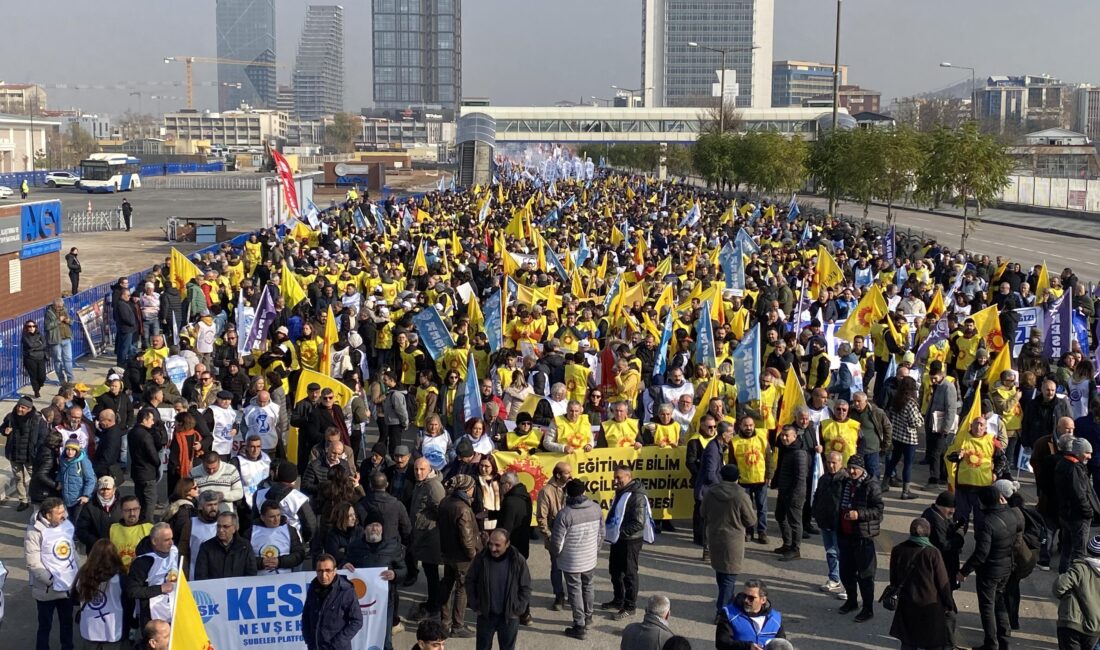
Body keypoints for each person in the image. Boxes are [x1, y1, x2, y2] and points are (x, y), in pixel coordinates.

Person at [957, 485, 1024, 650]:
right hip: (1007, 567)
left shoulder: (987, 523)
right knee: (1000, 601)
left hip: (990, 572)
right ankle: (1004, 638)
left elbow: (981, 553)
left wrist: (964, 571)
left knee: (987, 607)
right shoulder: (1012, 515)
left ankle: (991, 643)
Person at [887, 518, 957, 650]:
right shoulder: (933, 552)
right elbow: (943, 582)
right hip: (930, 608)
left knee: (908, 642)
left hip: (907, 604)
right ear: (928, 533)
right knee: (932, 643)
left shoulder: (898, 549)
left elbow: (894, 579)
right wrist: (948, 604)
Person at [344, 511, 406, 650]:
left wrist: (395, 574)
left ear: (382, 528)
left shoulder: (393, 546)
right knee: (360, 636)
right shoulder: (354, 547)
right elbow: (344, 564)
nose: (374, 528)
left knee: (384, 639)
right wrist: (344, 565)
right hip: (359, 602)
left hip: (384, 602)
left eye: (377, 525)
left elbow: (404, 570)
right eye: (371, 525)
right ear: (365, 528)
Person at [552, 478, 604, 640]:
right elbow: (601, 534)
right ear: (584, 491)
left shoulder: (565, 514)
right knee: (588, 586)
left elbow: (557, 542)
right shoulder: (596, 508)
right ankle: (588, 617)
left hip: (571, 561)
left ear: (567, 493)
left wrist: (557, 555)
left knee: (574, 591)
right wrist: (595, 550)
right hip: (590, 558)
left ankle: (579, 625)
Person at [834, 455, 884, 622]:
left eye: (855, 468)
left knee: (865, 576)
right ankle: (851, 601)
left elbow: (878, 511)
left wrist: (859, 514)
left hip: (863, 537)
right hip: (845, 535)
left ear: (863, 470)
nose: (852, 471)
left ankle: (867, 608)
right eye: (850, 468)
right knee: (846, 573)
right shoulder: (846, 482)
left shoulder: (871, 485)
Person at [701, 464, 756, 616]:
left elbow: (702, 512)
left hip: (714, 536)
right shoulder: (741, 495)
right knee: (729, 577)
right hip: (733, 541)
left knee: (721, 573)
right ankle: (723, 612)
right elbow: (751, 520)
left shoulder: (711, 492)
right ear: (737, 478)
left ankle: (728, 604)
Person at [25, 497, 79, 650]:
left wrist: (78, 574)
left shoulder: (65, 525)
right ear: (48, 515)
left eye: (64, 511)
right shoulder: (34, 532)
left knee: (67, 624)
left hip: (67, 588)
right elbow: (33, 562)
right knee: (45, 626)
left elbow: (71, 551)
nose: (64, 516)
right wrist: (52, 581)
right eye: (59, 513)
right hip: (46, 590)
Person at [602, 464, 654, 620]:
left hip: (630, 541)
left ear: (629, 477)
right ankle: (618, 600)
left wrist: (618, 532)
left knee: (629, 574)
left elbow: (638, 523)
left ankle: (630, 606)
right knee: (615, 571)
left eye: (619, 478)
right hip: (618, 539)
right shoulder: (622, 491)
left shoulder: (637, 496)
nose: (616, 481)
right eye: (614, 478)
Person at [466, 529, 532, 650]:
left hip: (509, 618)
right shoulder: (481, 558)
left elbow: (526, 587)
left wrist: (518, 610)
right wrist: (475, 605)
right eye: (490, 543)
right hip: (486, 616)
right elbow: (470, 581)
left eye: (497, 545)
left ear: (507, 544)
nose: (492, 548)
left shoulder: (517, 560)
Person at [438, 473, 482, 638]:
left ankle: (444, 621)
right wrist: (472, 555)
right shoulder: (463, 508)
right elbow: (467, 538)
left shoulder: (445, 502)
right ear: (467, 489)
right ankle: (458, 625)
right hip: (461, 557)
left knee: (447, 584)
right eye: (472, 487)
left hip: (447, 552)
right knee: (461, 589)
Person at [1055, 438, 1100, 572]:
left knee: (1066, 549)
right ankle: (1075, 583)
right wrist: (1088, 512)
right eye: (1087, 453)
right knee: (1079, 554)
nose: (1090, 456)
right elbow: (1079, 494)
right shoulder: (1074, 467)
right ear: (1079, 452)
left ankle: (1063, 576)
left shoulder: (1063, 463)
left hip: (1066, 514)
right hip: (1077, 516)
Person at [72, 539, 126, 650]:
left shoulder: (83, 573)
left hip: (90, 628)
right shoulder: (120, 576)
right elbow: (127, 601)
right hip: (113, 628)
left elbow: (74, 598)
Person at [302, 554, 364, 650]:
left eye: (328, 571)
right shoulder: (313, 588)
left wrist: (337, 644)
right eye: (320, 571)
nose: (323, 575)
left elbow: (357, 621)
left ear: (335, 571)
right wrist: (309, 641)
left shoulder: (346, 590)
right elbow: (306, 616)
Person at [1053, 535, 1100, 650]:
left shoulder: (1079, 568)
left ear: (1088, 550)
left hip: (1071, 622)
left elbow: (1058, 587)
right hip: (1094, 628)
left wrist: (1066, 598)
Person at [536, 461, 571, 611]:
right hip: (555, 535)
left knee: (572, 568)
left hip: (571, 535)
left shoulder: (572, 488)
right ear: (558, 475)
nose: (571, 476)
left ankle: (574, 596)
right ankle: (559, 595)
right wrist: (549, 535)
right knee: (557, 568)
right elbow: (541, 517)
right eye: (567, 473)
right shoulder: (546, 491)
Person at [4, 395, 48, 511]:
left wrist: (37, 451)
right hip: (14, 454)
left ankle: (36, 499)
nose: (20, 409)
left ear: (29, 408)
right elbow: (2, 428)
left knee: (36, 478)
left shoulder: (38, 420)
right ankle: (23, 500)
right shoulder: (10, 417)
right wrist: (5, 431)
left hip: (31, 456)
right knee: (18, 478)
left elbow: (43, 437)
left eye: (23, 407)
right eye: (19, 406)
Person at [771, 425, 809, 561]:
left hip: (794, 494)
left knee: (795, 522)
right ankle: (787, 544)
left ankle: (795, 549)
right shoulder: (786, 449)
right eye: (782, 435)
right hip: (784, 490)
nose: (784, 438)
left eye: (787, 436)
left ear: (795, 437)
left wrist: (795, 495)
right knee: (780, 516)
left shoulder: (799, 453)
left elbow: (800, 477)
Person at [716, 579, 787, 650]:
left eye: (751, 598)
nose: (746, 600)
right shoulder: (729, 614)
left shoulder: (775, 619)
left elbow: (781, 646)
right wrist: (747, 646)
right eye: (744, 596)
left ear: (763, 600)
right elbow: (721, 643)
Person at [194, 512, 257, 580]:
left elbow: (251, 573)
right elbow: (200, 576)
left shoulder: (245, 546)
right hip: (213, 589)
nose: (221, 530)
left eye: (225, 527)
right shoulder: (206, 547)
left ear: (234, 528)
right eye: (218, 526)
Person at [922, 491, 965, 589]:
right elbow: (943, 545)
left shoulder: (939, 514)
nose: (953, 511)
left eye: (954, 508)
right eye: (950, 508)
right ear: (940, 506)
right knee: (945, 598)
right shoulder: (935, 520)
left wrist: (956, 527)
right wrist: (959, 537)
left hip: (944, 567)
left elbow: (948, 530)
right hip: (941, 568)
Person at [253, 499, 308, 574]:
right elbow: (244, 558)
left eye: (278, 515)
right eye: (272, 517)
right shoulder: (251, 533)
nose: (276, 520)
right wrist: (261, 562)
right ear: (262, 517)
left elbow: (299, 554)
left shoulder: (290, 530)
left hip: (285, 578)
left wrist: (280, 561)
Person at [128, 408, 163, 523]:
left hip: (137, 472)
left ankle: (139, 522)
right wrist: (158, 463)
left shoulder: (132, 432)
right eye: (151, 420)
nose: (153, 423)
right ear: (144, 419)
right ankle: (147, 525)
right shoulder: (145, 436)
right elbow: (153, 456)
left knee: (140, 500)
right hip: (147, 473)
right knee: (149, 502)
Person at [76, 476, 123, 553]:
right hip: (96, 551)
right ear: (98, 489)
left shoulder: (123, 504)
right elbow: (81, 530)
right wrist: (97, 543)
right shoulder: (89, 507)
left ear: (114, 489)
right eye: (102, 489)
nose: (105, 492)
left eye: (108, 489)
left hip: (119, 549)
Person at [109, 494, 152, 573]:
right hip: (117, 574)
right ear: (121, 511)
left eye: (135, 509)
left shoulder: (150, 529)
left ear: (139, 509)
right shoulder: (113, 529)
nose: (132, 513)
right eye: (127, 510)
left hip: (141, 575)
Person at [58, 438, 96, 521]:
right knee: (69, 521)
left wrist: (86, 495)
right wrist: (59, 482)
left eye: (73, 449)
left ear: (77, 450)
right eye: (68, 449)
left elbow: (90, 479)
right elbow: (61, 473)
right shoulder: (62, 459)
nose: (70, 452)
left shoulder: (83, 461)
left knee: (77, 521)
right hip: (66, 497)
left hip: (79, 498)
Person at [45, 298, 75, 385]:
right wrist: (58, 320)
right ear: (54, 306)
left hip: (66, 338)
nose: (60, 308)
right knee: (58, 360)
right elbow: (47, 326)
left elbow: (71, 321)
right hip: (56, 340)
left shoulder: (64, 310)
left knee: (68, 359)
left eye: (61, 306)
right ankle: (61, 379)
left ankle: (70, 379)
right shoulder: (49, 313)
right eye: (58, 307)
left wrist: (69, 321)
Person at [22, 320, 48, 397]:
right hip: (30, 359)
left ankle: (39, 386)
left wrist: (34, 348)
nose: (32, 328)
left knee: (42, 376)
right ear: (26, 328)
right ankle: (36, 391)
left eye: (33, 326)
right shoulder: (25, 336)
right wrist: (38, 345)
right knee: (33, 376)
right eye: (29, 326)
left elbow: (44, 344)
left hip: (41, 357)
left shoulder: (40, 334)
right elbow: (30, 345)